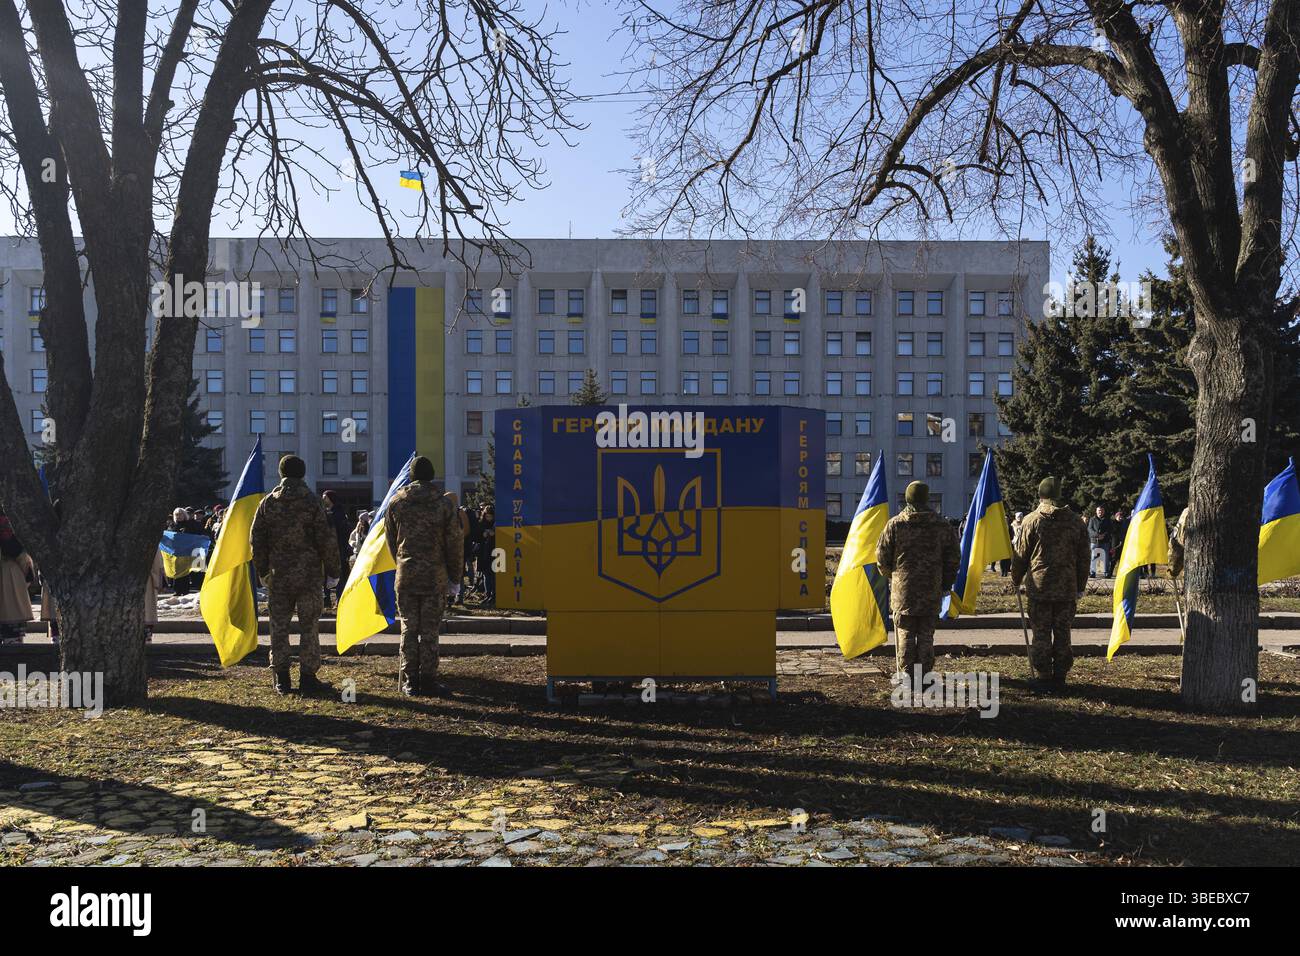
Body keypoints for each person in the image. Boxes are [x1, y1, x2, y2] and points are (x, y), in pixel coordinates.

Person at [250, 455, 342, 695]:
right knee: (309, 626)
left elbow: (256, 540)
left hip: (278, 576)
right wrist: (334, 572)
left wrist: (262, 569)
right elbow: (326, 540)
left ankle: (281, 678)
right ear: (302, 474)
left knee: (278, 627)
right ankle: (308, 678)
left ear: (281, 474)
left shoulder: (269, 503)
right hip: (309, 576)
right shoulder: (313, 503)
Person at [384, 456, 464, 696]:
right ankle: (428, 680)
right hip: (434, 576)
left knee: (408, 628)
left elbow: (390, 540)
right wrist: (455, 577)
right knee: (429, 630)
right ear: (432, 475)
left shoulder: (396, 503)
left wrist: (400, 562)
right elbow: (455, 543)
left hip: (406, 574)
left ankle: (411, 681)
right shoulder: (443, 505)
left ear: (411, 475)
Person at [1011, 477, 1091, 688]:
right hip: (1066, 587)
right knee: (1063, 633)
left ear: (1041, 494)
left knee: (1041, 632)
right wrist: (1080, 586)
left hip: (1040, 587)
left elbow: (1020, 555)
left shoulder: (1031, 520)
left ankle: (1043, 674)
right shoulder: (1075, 522)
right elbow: (1084, 558)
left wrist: (1015, 578)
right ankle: (1060, 675)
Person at [876, 481, 960, 680]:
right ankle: (923, 677)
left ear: (907, 498)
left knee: (904, 632)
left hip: (903, 591)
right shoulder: (942, 525)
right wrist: (946, 583)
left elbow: (881, 558)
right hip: (932, 589)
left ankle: (906, 677)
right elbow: (953, 559)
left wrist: (895, 576)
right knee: (926, 635)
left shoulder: (895, 524)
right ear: (926, 498)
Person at [0, 509, 34, 644]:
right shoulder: (9, 515)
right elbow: (13, 546)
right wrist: (28, 571)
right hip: (9, 574)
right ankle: (19, 665)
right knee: (14, 646)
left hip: (9, 571)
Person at [320, 491, 351, 609]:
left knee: (336, 576)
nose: (323, 500)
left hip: (335, 550)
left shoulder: (334, 514)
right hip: (336, 550)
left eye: (325, 498)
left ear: (330, 499)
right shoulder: (337, 513)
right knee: (335, 576)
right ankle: (334, 600)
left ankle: (333, 600)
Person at [1087, 505, 1114, 578]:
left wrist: (1104, 535)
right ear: (1096, 511)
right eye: (1099, 510)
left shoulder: (1108, 520)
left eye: (1101, 510)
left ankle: (1106, 573)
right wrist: (1097, 535)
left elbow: (1110, 529)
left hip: (1105, 541)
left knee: (1105, 558)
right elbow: (1089, 529)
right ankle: (1092, 572)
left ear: (1104, 511)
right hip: (1094, 541)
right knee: (1093, 557)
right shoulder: (1092, 519)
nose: (1100, 512)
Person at [478, 504, 497, 605]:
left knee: (493, 575)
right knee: (486, 575)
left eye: (490, 516)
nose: (489, 518)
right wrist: (483, 534)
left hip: (494, 551)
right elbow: (477, 535)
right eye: (487, 516)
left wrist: (494, 534)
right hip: (484, 551)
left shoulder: (496, 524)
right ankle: (487, 594)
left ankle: (494, 595)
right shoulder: (482, 524)